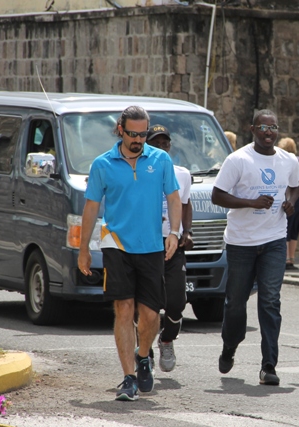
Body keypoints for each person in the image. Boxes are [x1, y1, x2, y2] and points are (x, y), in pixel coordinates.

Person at [78, 106, 182, 401]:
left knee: (150, 315)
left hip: (151, 246)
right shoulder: (102, 164)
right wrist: (84, 249)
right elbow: (91, 207)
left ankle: (144, 355)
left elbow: (173, 199)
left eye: (143, 134)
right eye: (133, 133)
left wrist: (174, 232)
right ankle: (128, 377)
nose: (138, 139)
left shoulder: (161, 160)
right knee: (123, 308)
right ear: (120, 130)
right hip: (116, 244)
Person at [212, 109, 299, 386]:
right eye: (263, 127)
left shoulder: (288, 160)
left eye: (273, 127)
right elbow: (217, 195)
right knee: (236, 304)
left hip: (274, 240)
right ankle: (230, 346)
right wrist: (250, 203)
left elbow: (295, 187)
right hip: (241, 243)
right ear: (252, 129)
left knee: (270, 301)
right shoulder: (238, 160)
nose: (268, 132)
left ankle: (269, 365)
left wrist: (291, 202)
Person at [146, 124, 194, 372]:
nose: (162, 147)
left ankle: (166, 339)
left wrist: (187, 232)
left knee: (176, 302)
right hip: (145, 246)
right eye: (156, 144)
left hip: (173, 245)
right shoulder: (140, 172)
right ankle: (145, 355)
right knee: (147, 306)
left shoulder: (182, 174)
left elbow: (185, 204)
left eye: (165, 143)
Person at [277, 137, 299, 269]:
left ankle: (285, 258)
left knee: (286, 227)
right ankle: (291, 258)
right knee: (295, 228)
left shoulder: (283, 161)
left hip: (288, 198)